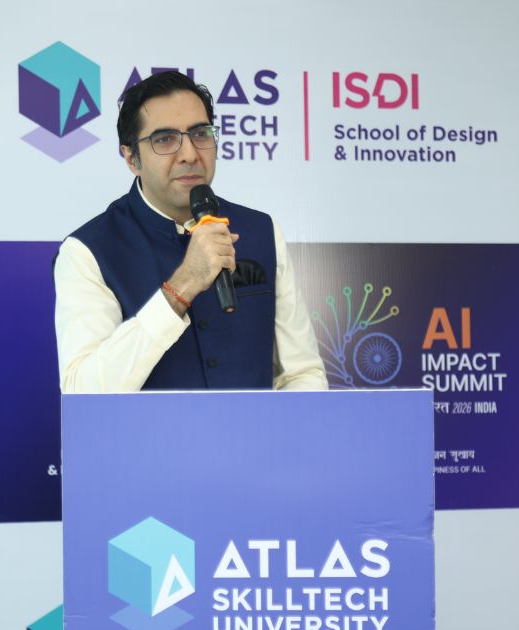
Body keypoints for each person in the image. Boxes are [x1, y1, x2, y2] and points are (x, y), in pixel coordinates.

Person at [53, 71, 327, 393]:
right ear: (131, 158)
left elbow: (302, 373)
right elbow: (83, 392)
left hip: (254, 428)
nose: (190, 154)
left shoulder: (262, 230)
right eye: (165, 139)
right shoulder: (88, 250)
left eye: (200, 134)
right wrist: (181, 287)